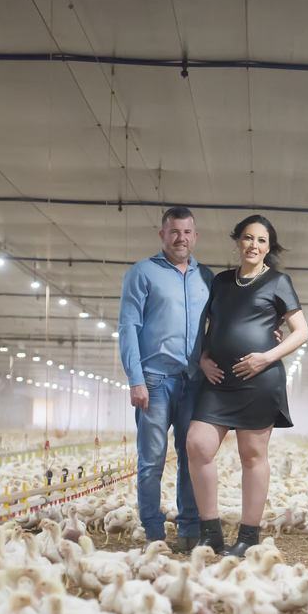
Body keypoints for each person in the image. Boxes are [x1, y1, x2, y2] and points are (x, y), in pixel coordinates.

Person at [186, 215, 308, 556]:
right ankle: (210, 533)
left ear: (269, 248)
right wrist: (203, 357)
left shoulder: (278, 282)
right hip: (218, 380)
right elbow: (214, 325)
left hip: (258, 380)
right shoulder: (222, 282)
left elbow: (301, 331)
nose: (253, 245)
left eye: (261, 241)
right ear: (238, 242)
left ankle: (248, 537)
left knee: (252, 455)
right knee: (197, 444)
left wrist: (266, 357)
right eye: (247, 238)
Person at [118, 206, 213, 552]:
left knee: (192, 458)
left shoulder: (208, 278)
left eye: (187, 232)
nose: (181, 239)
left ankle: (189, 530)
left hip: (195, 382)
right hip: (155, 381)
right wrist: (135, 378)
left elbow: (224, 324)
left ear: (195, 236)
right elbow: (129, 327)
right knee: (151, 461)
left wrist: (267, 335)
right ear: (163, 235)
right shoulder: (142, 273)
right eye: (174, 232)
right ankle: (154, 533)